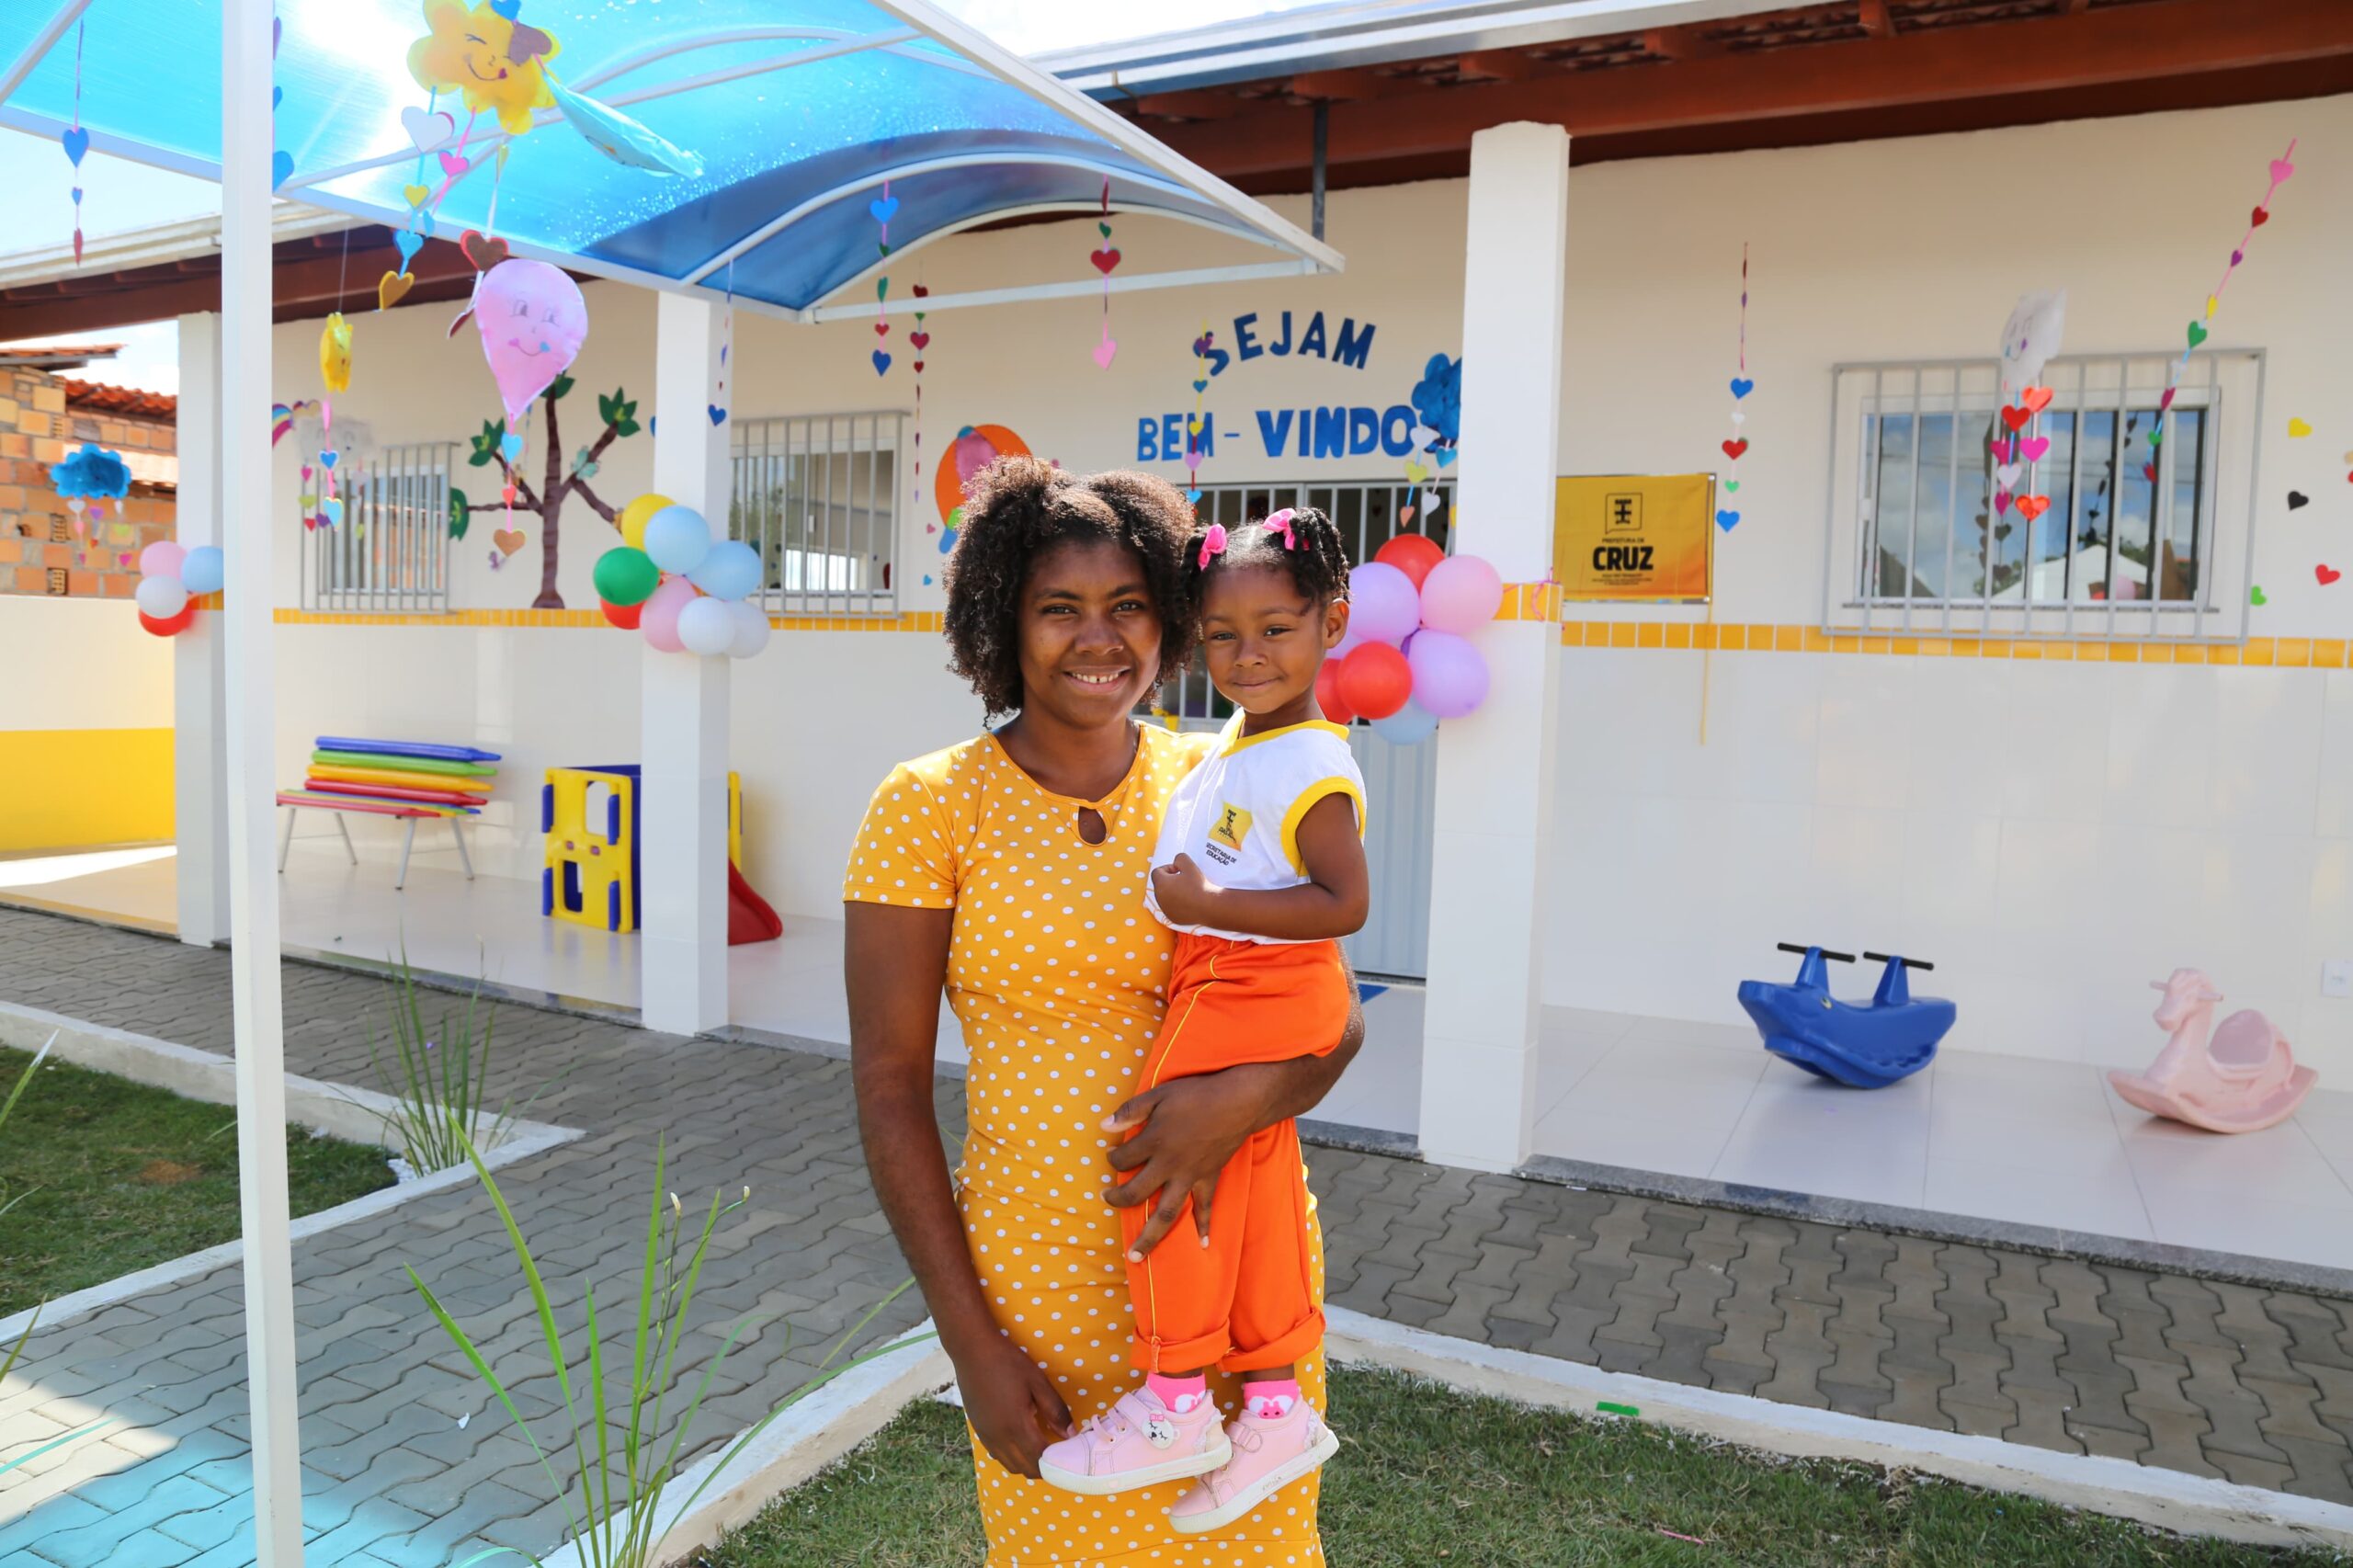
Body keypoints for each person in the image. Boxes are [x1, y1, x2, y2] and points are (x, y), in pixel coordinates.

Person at [844, 462, 1364, 1566]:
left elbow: (1334, 1018)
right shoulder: (929, 804)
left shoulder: (1217, 778)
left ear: (1170, 620)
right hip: (1040, 1289)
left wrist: (1240, 1102)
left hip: (1236, 1291)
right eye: (1059, 608)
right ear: (1003, 620)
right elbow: (889, 1087)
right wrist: (969, 1344)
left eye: (1128, 604)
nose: (1100, 637)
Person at [1036, 507, 1367, 1533]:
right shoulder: (1246, 742)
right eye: (1222, 635)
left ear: (1331, 622)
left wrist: (1207, 909)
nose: (1247, 653)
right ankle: (1272, 1403)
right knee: (1252, 1182)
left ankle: (1177, 1394)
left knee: (1154, 1153)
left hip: (1243, 977)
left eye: (1276, 628)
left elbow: (1343, 903)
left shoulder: (1308, 761)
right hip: (1253, 978)